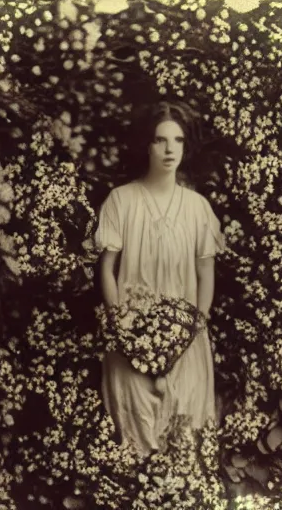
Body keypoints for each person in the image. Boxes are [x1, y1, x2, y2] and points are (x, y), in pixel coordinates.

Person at [94, 101, 225, 456]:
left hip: (187, 337)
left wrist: (195, 325)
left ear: (185, 146)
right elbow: (107, 268)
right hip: (131, 338)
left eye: (178, 141)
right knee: (137, 443)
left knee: (185, 439)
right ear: (146, 145)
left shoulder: (197, 208)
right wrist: (121, 324)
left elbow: (205, 271)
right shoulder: (121, 201)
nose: (170, 150)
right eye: (160, 140)